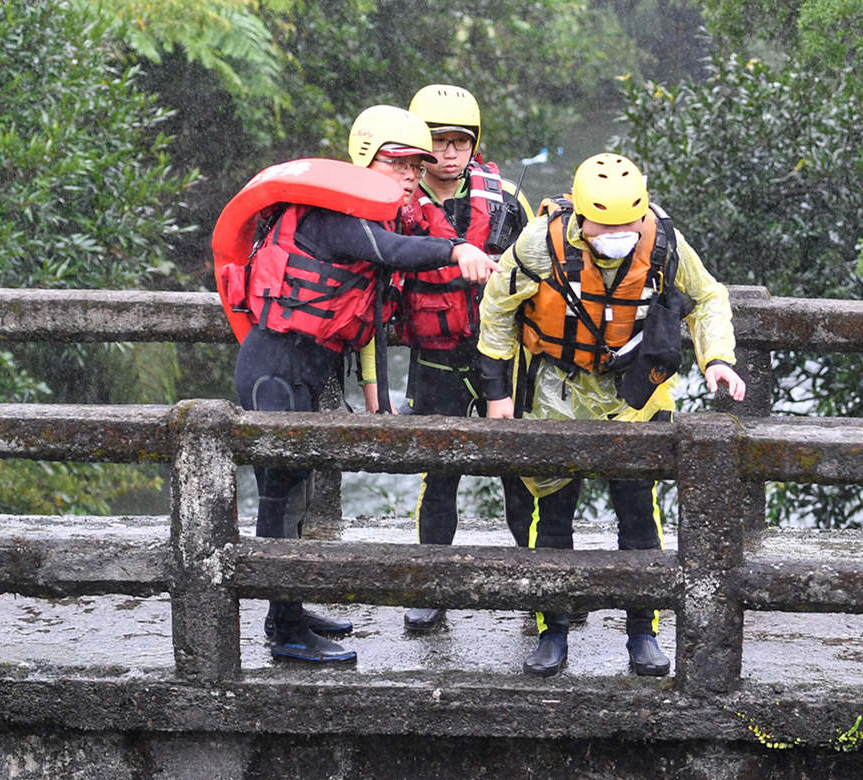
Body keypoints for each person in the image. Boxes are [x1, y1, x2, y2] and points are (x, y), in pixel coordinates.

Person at [230, 105, 497, 664]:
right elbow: (391, 253)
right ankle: (285, 633)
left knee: (298, 493)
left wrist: (375, 392)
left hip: (304, 369)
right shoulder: (331, 214)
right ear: (365, 158)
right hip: (273, 369)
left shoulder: (364, 217)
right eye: (398, 162)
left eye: (416, 164)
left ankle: (292, 609)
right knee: (280, 497)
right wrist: (457, 249)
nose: (410, 174)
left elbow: (371, 305)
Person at [474, 152, 746, 678]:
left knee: (638, 512)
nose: (619, 232)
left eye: (628, 223)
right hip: (557, 389)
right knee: (552, 513)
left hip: (633, 393)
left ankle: (642, 632)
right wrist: (497, 393)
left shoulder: (664, 240)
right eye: (606, 224)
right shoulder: (541, 241)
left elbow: (709, 296)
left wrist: (717, 359)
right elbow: (497, 306)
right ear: (580, 217)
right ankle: (552, 631)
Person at [396, 85, 533, 634]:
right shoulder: (397, 204)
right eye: (438, 141)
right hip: (435, 355)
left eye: (460, 142)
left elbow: (543, 267)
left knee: (522, 473)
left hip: (502, 355)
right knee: (441, 473)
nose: (449, 153)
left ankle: (539, 586)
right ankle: (433, 587)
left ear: (474, 145)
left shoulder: (505, 201)